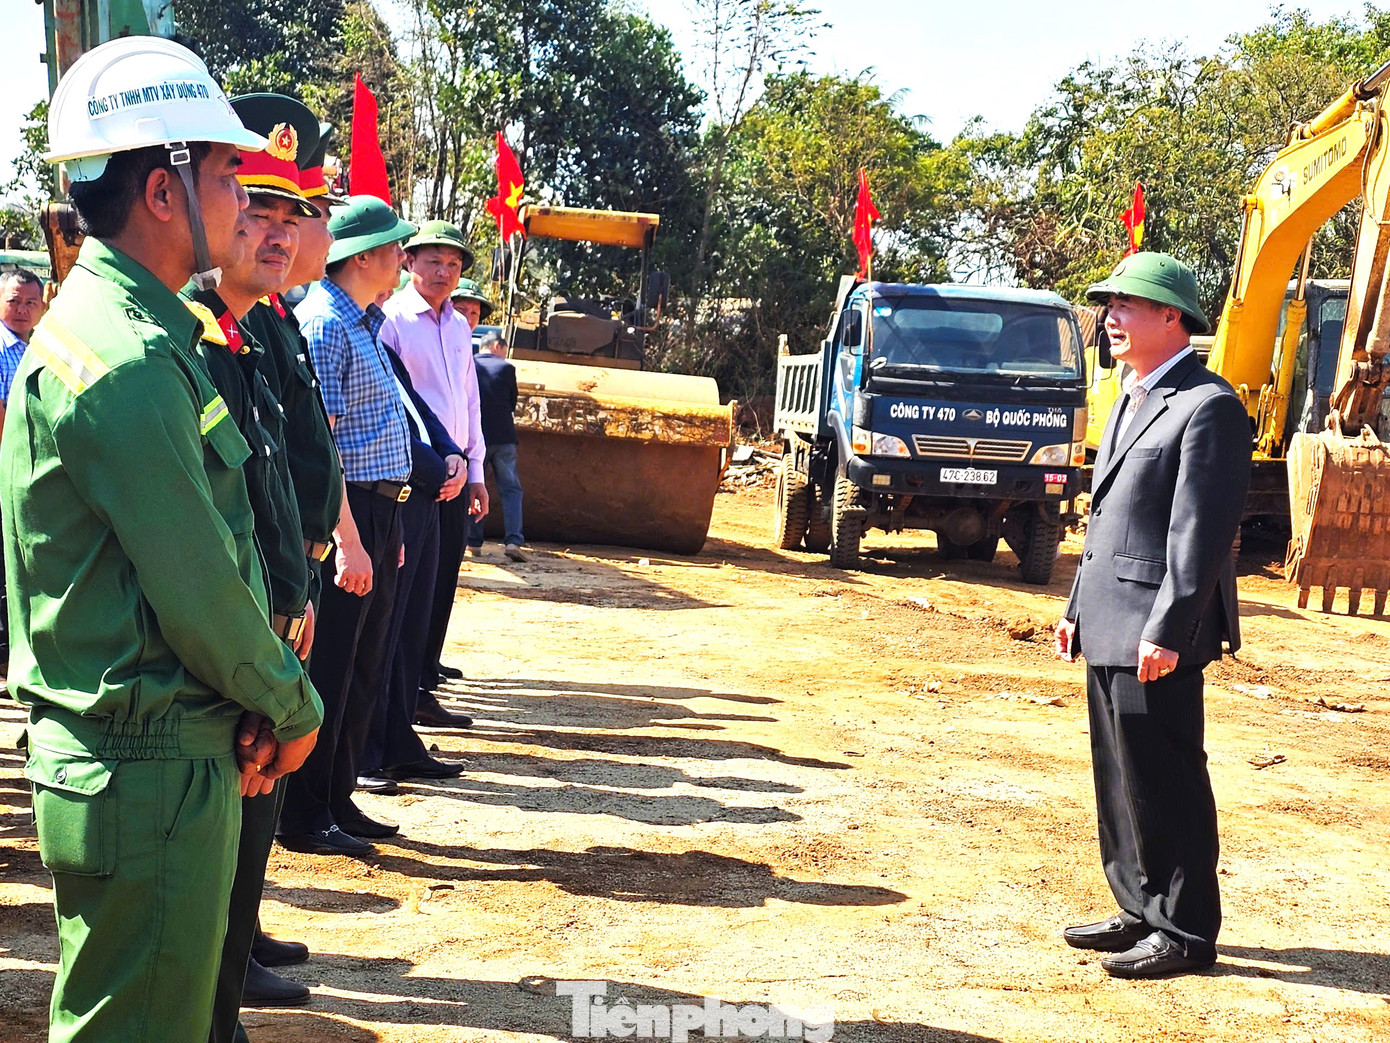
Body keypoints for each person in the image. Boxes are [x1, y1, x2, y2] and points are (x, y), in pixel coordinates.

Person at [3, 37, 321, 1042]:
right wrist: (290, 699)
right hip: (145, 773)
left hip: (158, 759)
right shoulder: (127, 359)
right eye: (228, 173)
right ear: (160, 190)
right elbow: (198, 584)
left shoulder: (138, 336)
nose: (245, 196)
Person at [1054, 252, 1251, 979]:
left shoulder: (1209, 406)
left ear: (1173, 316)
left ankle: (1186, 930)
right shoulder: (1135, 394)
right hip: (1108, 617)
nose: (1110, 317)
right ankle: (1139, 905)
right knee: (1119, 775)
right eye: (1108, 305)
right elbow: (1108, 518)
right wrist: (1075, 607)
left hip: (1154, 631)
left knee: (1166, 776)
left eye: (1127, 305)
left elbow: (1197, 536)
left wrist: (1168, 629)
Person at [185, 92, 330, 1032]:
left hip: (273, 623)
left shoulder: (245, 331)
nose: (272, 230)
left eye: (292, 212)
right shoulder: (196, 338)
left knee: (250, 834)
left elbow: (282, 485)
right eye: (254, 203)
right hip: (227, 648)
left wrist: (301, 586)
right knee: (220, 849)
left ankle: (221, 996)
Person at [276, 195, 418, 857]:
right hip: (350, 507)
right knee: (331, 662)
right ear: (361, 255)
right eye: (394, 248)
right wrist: (351, 537)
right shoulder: (326, 324)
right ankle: (304, 814)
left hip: (379, 508)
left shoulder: (363, 320)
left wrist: (386, 528)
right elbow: (322, 444)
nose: (402, 258)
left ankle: (335, 797)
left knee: (364, 662)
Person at [379, 223, 487, 723]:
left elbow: (469, 401)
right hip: (418, 476)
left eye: (453, 265)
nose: (443, 273)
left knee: (439, 587)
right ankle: (399, 700)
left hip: (457, 476)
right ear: (408, 262)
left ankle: (422, 686)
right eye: (433, 262)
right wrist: (427, 466)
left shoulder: (461, 327)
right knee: (406, 595)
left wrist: (477, 469)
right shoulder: (393, 320)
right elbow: (394, 405)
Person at [467, 324, 527, 561]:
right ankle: (513, 541)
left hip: (476, 440)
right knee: (511, 490)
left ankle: (473, 542)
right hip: (504, 440)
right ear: (497, 346)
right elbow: (512, 403)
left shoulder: (469, 365)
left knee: (474, 487)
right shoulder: (507, 367)